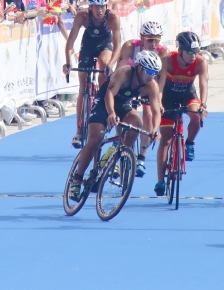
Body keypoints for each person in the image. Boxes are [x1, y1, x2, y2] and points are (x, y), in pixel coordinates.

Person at [68, 51, 162, 201]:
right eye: (149, 72)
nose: (152, 76)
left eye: (155, 73)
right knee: (95, 139)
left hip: (123, 105)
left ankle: (117, 153)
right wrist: (111, 113)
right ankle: (77, 180)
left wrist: (155, 129)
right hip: (104, 102)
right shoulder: (124, 73)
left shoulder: (152, 86)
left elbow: (156, 111)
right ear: (139, 68)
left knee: (137, 122)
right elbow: (109, 95)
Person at [63, 0, 121, 148]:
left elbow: (117, 46)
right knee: (83, 87)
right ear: (90, 7)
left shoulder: (113, 17)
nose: (99, 10)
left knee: (104, 65)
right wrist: (68, 61)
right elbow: (71, 41)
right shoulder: (82, 16)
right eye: (96, 6)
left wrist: (111, 65)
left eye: (102, 6)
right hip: (88, 45)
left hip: (105, 45)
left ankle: (103, 104)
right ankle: (78, 131)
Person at [155, 31, 209, 196]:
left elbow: (203, 84)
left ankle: (190, 143)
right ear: (180, 51)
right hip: (168, 97)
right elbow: (160, 86)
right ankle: (160, 181)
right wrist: (159, 104)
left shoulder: (201, 62)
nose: (193, 55)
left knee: (196, 114)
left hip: (188, 95)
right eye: (190, 52)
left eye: (196, 51)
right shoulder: (167, 60)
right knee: (165, 138)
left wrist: (203, 104)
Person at [117, 21, 170, 177]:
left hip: (147, 86)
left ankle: (141, 157)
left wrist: (159, 100)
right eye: (150, 39)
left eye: (157, 40)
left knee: (148, 114)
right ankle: (119, 143)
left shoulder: (163, 52)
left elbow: (160, 80)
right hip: (129, 83)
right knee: (122, 111)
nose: (154, 44)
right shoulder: (130, 46)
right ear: (142, 38)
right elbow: (119, 70)